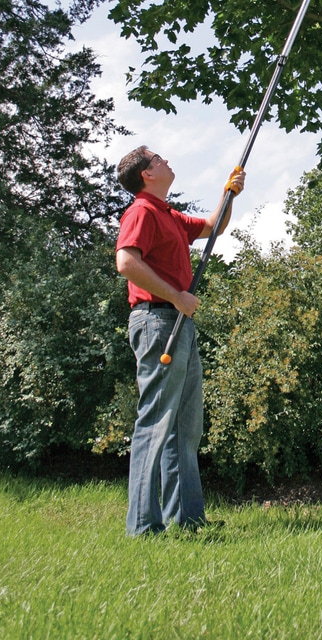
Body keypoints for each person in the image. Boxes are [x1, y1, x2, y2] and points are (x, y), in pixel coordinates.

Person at [115, 145, 245, 536]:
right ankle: (142, 526)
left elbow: (213, 227)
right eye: (158, 159)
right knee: (155, 422)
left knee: (184, 427)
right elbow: (126, 262)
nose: (166, 161)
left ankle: (187, 520)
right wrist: (175, 295)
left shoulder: (168, 215)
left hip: (177, 321)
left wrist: (229, 194)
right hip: (156, 320)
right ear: (146, 174)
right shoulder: (141, 211)